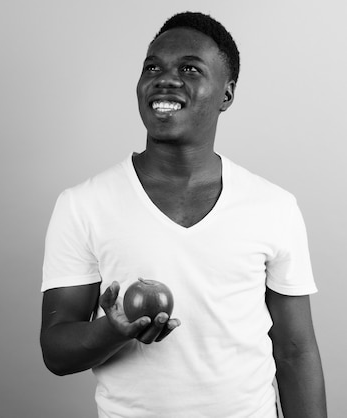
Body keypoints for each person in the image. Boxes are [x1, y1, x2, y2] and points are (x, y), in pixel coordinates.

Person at [39, 11, 327, 418]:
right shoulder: (83, 204)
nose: (165, 78)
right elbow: (56, 351)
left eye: (189, 68)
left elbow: (296, 352)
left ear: (226, 94)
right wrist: (111, 331)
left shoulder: (273, 207)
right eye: (152, 67)